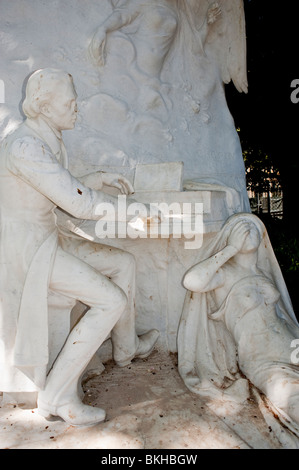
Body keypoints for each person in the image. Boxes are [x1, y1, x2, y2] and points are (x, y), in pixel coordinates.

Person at [0, 68, 159, 426]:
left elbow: (55, 191)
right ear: (43, 106)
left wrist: (93, 179)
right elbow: (81, 205)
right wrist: (135, 211)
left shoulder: (45, 138)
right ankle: (57, 396)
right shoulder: (26, 145)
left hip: (45, 236)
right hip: (27, 251)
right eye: (69, 103)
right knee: (111, 299)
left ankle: (126, 348)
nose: (76, 108)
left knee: (123, 262)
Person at [178, 213, 299, 435]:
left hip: (292, 345)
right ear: (229, 236)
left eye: (254, 226)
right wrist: (230, 250)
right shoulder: (224, 274)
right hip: (263, 359)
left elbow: (283, 316)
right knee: (293, 401)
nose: (248, 228)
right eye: (240, 226)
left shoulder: (265, 273)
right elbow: (192, 281)